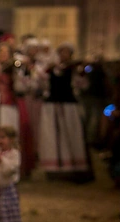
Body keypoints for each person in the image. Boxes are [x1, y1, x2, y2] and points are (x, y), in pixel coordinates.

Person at [38, 43, 90, 179]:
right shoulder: (51, 70)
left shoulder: (73, 70)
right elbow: (41, 82)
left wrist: (81, 73)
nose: (64, 55)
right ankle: (54, 168)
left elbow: (83, 85)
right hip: (52, 106)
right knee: (52, 135)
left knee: (71, 134)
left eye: (67, 53)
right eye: (62, 52)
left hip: (69, 106)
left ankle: (73, 166)